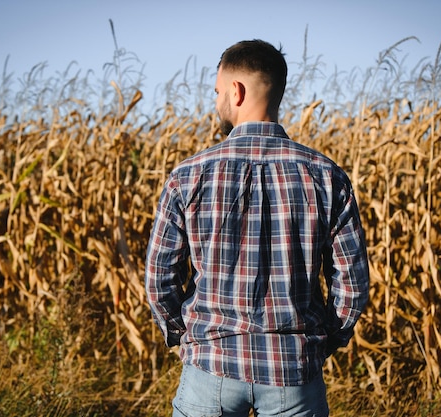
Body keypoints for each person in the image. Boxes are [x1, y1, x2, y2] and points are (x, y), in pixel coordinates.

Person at [145, 39, 370, 417]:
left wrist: (185, 336)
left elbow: (159, 277)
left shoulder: (188, 176)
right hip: (293, 371)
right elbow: (352, 283)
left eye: (218, 91)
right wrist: (322, 341)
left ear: (237, 91)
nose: (217, 101)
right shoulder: (326, 176)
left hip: (209, 368)